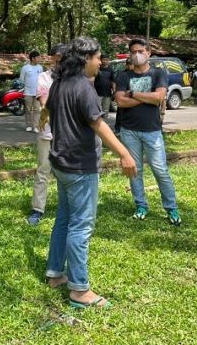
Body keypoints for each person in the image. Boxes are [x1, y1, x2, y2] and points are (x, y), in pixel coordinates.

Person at [44, 36, 137, 308]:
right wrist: (125, 154)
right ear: (86, 58)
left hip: (60, 164)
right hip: (79, 168)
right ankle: (79, 290)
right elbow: (100, 126)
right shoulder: (83, 88)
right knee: (81, 226)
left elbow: (48, 111)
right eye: (98, 57)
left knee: (64, 219)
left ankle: (54, 273)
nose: (100, 62)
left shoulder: (59, 83)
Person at [114, 38, 182, 226]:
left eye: (140, 51)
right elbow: (120, 101)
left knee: (160, 169)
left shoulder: (158, 73)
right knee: (134, 170)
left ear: (148, 53)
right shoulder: (123, 77)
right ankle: (141, 205)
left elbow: (160, 97)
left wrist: (134, 95)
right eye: (133, 52)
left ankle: (171, 208)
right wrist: (148, 98)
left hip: (152, 131)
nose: (137, 55)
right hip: (129, 131)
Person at [26, 43, 66, 225]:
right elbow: (44, 102)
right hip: (47, 132)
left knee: (66, 171)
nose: (58, 62)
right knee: (43, 170)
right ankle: (37, 209)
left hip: (68, 134)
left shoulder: (74, 78)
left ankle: (67, 207)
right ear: (50, 58)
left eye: (62, 59)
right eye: (55, 58)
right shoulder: (43, 77)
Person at [19, 50, 43, 133]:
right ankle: (29, 125)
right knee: (28, 109)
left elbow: (42, 79)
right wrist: (27, 86)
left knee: (37, 109)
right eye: (38, 57)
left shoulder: (40, 67)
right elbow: (21, 80)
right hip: (28, 92)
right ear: (33, 58)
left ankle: (35, 126)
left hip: (38, 92)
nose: (40, 59)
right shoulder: (25, 68)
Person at [114, 58, 133, 135]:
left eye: (131, 64)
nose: (130, 66)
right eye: (128, 64)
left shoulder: (135, 73)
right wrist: (116, 94)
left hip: (132, 97)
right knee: (120, 114)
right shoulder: (121, 74)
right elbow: (115, 83)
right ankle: (118, 129)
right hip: (122, 96)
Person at [94, 54, 114, 118]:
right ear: (101, 60)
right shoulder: (97, 68)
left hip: (107, 93)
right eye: (103, 60)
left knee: (105, 110)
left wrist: (114, 91)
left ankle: (105, 123)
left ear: (108, 61)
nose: (105, 61)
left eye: (106, 60)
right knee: (97, 109)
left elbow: (113, 81)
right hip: (97, 93)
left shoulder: (110, 70)